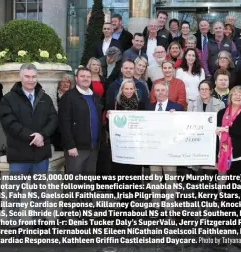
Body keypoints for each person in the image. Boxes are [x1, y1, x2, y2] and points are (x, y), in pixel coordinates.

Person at [0, 63, 57, 228]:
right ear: (20, 76)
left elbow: (53, 119)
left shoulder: (44, 97)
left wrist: (42, 135)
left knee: (39, 191)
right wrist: (32, 136)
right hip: (19, 154)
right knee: (15, 192)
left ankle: (38, 221)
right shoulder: (8, 99)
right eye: (27, 76)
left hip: (41, 154)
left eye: (33, 76)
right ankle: (13, 225)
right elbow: (9, 123)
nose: (31, 80)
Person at [58, 67, 102, 218]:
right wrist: (70, 145)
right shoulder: (68, 97)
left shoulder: (95, 96)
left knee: (88, 182)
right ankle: (70, 214)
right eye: (82, 76)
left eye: (88, 76)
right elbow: (64, 123)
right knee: (73, 182)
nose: (85, 78)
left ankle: (86, 212)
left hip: (93, 147)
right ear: (76, 78)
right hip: (76, 148)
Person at [216, 85, 241, 221]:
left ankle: (237, 219)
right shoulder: (221, 113)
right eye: (235, 94)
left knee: (238, 189)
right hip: (224, 156)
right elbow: (216, 134)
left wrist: (226, 130)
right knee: (226, 189)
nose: (237, 96)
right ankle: (227, 216)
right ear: (230, 97)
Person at [107, 79, 146, 212]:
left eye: (131, 89)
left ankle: (130, 205)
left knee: (133, 176)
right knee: (122, 175)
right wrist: (109, 119)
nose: (129, 91)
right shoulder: (116, 105)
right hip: (121, 147)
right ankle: (123, 206)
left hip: (135, 147)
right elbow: (109, 127)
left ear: (135, 90)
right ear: (121, 90)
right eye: (126, 89)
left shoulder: (141, 104)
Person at [147, 82, 183, 215]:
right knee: (154, 178)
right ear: (154, 92)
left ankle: (169, 207)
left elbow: (182, 127)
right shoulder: (149, 107)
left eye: (163, 90)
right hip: (154, 149)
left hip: (170, 149)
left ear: (167, 92)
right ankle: (155, 206)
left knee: (170, 179)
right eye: (157, 90)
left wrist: (177, 118)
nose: (160, 92)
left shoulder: (177, 107)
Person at [53, 74, 73, 151]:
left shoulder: (73, 95)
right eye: (62, 82)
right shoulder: (54, 95)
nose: (65, 84)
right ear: (58, 84)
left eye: (67, 82)